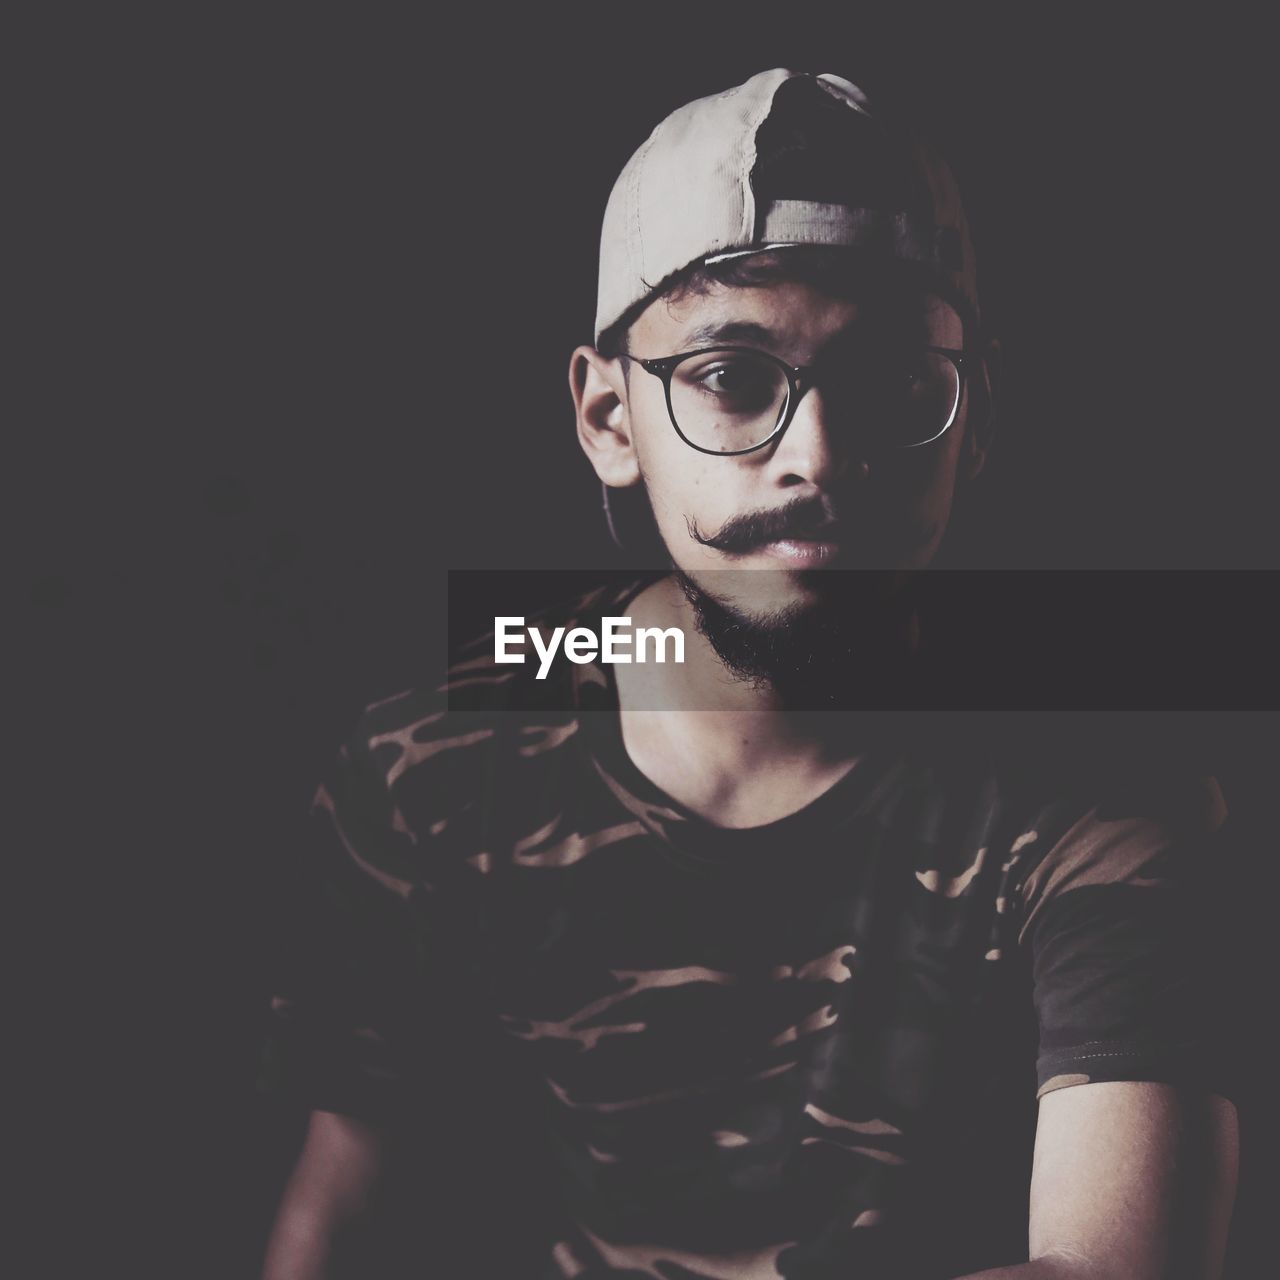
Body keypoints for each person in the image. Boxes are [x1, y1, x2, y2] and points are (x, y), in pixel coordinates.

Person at [258, 69, 1240, 1279]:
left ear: (973, 416)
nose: (817, 460)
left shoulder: (1105, 781)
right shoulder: (441, 757)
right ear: (609, 418)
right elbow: (345, 1209)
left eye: (892, 382)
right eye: (730, 376)